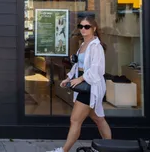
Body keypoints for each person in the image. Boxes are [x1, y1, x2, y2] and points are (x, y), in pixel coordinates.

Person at [48, 16, 112, 152]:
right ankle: (110, 147)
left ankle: (64, 150)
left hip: (90, 87)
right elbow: (77, 65)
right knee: (99, 119)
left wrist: (81, 79)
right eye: (81, 26)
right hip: (84, 85)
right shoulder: (83, 44)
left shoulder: (96, 46)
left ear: (94, 29)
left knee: (75, 120)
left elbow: (96, 69)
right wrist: (69, 77)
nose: (83, 29)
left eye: (86, 27)